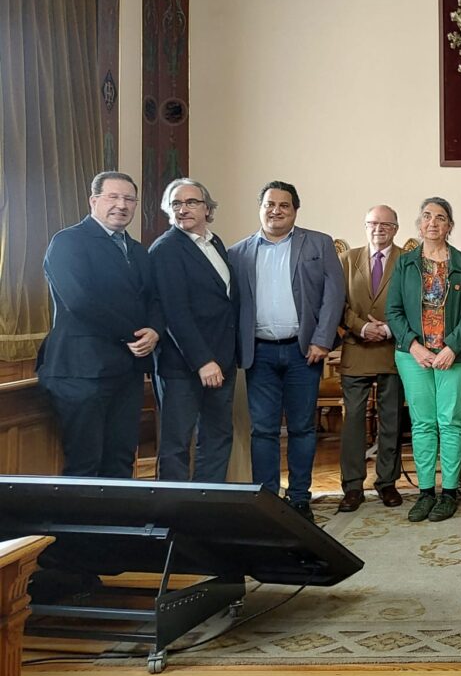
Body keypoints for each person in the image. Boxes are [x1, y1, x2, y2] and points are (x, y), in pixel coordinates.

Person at [228, 181, 344, 522]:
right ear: (260, 207)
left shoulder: (318, 244)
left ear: (295, 210)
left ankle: (298, 498)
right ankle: (266, 500)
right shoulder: (238, 253)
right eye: (270, 204)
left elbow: (334, 295)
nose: (276, 210)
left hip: (302, 351)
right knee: (262, 430)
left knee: (302, 429)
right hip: (258, 354)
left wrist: (322, 339)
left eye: (284, 205)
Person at [38, 172, 163, 477]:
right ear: (94, 201)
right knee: (85, 461)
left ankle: (114, 525)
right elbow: (80, 301)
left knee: (120, 459)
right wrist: (132, 334)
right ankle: (81, 526)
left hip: (127, 371)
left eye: (129, 199)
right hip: (81, 371)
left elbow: (156, 299)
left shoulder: (138, 251)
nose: (122, 205)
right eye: (113, 197)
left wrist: (155, 330)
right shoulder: (68, 241)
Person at [386, 197, 461, 524]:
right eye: (426, 217)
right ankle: (425, 492)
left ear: (450, 225)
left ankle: (449, 492)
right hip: (414, 356)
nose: (433, 223)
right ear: (419, 223)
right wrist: (414, 347)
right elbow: (392, 311)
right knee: (423, 423)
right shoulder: (405, 263)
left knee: (450, 421)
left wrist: (452, 346)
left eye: (440, 217)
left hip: (456, 355)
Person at [148, 178, 238, 482]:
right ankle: (174, 518)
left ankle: (209, 509)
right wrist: (202, 361)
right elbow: (175, 312)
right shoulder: (166, 249)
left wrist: (222, 358)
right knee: (176, 445)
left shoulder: (215, 243)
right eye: (176, 204)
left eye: (191, 203)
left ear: (207, 209)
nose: (183, 209)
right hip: (183, 367)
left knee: (217, 438)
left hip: (222, 361)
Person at [336, 205, 407, 513]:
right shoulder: (347, 260)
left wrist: (390, 328)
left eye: (385, 224)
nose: (378, 228)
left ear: (395, 228)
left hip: (393, 350)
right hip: (357, 347)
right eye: (372, 223)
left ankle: (387, 483)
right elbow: (336, 304)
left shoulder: (408, 261)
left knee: (390, 419)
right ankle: (352, 486)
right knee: (352, 420)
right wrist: (362, 327)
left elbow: (415, 302)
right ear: (365, 226)